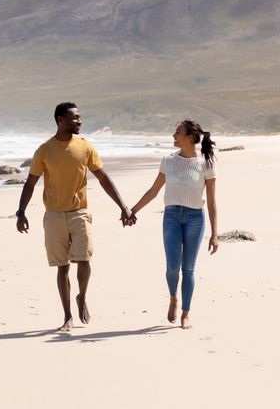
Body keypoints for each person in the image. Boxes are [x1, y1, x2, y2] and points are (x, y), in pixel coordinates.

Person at [15, 102, 135, 332]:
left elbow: (103, 177)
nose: (80, 121)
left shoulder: (85, 147)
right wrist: (21, 212)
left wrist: (123, 206)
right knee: (62, 267)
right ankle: (67, 316)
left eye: (80, 117)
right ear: (61, 119)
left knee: (84, 261)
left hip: (80, 212)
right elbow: (30, 183)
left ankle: (82, 296)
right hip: (54, 216)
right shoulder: (44, 150)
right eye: (75, 118)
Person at [128, 120, 219, 329]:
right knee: (172, 267)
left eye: (177, 132)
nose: (173, 136)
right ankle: (173, 298)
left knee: (188, 268)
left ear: (188, 137)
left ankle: (186, 313)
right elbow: (153, 192)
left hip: (195, 218)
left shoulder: (206, 163)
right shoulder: (168, 161)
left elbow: (212, 202)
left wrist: (215, 234)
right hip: (171, 217)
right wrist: (132, 211)